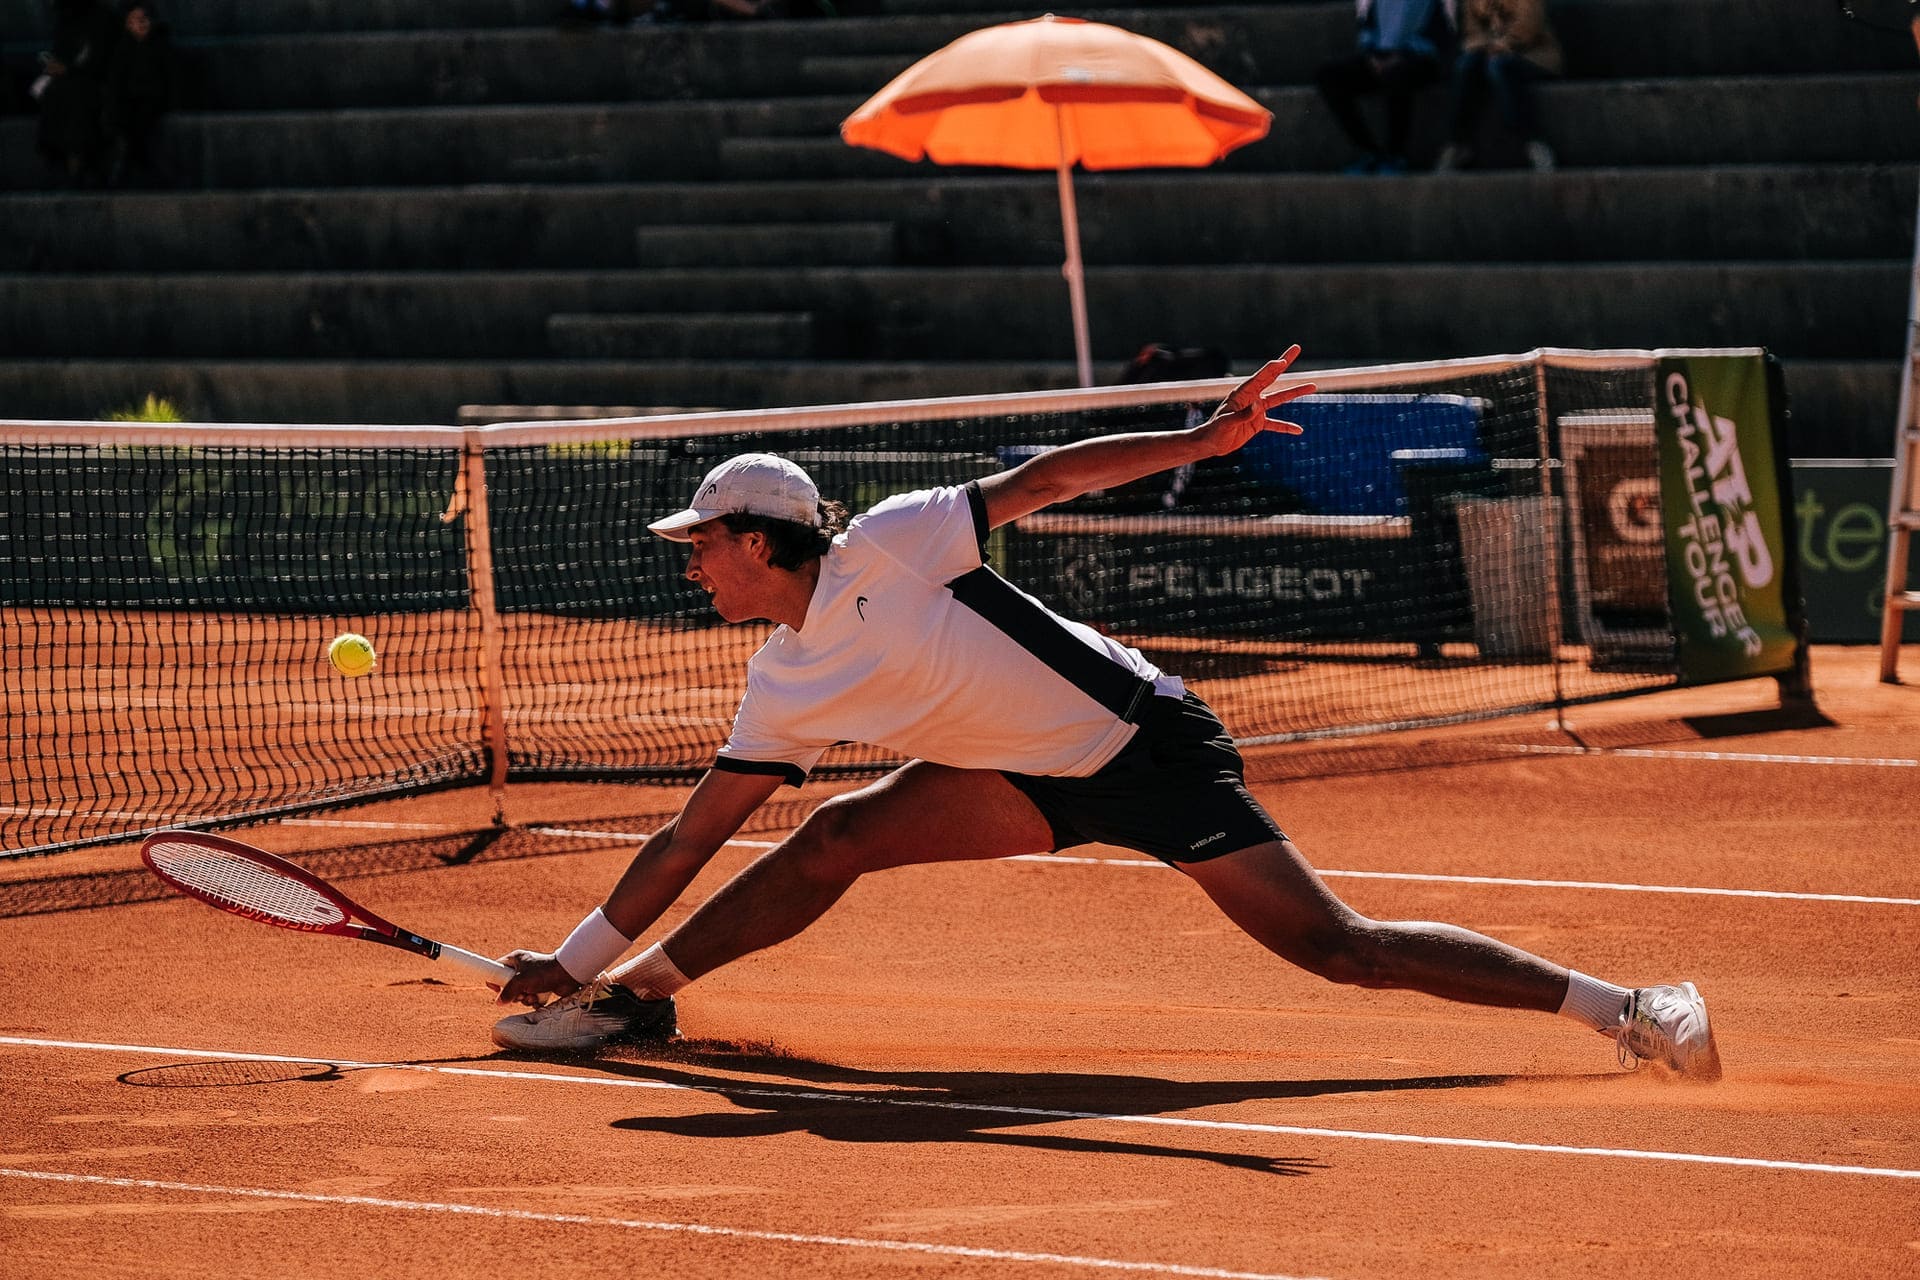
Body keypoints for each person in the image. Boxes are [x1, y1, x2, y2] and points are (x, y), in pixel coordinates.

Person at [491, 345, 1723, 1082]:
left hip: (1145, 745)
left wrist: (1201, 435)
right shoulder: (781, 684)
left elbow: (1054, 475)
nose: (691, 565)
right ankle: (630, 997)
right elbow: (692, 834)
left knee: (1341, 947)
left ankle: (1633, 1007)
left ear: (761, 539)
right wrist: (579, 958)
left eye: (702, 546)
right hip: (1020, 775)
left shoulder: (894, 544)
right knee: (837, 839)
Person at [1314, 0, 1451, 175]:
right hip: (1380, 57)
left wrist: (1402, 55)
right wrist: (1372, 56)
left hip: (1419, 59)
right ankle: (1370, 152)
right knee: (1328, 76)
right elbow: (1368, 26)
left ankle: (1396, 155)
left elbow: (1440, 34)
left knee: (1397, 75)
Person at [1433, 0, 1562, 173]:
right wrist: (1485, 46)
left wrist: (1502, 45)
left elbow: (1529, 26)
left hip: (1530, 53)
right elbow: (1471, 30)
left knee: (1499, 68)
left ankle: (1534, 143)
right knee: (1465, 66)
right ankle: (1457, 144)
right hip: (1487, 51)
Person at [103, 0, 174, 186]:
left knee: (140, 119)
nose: (141, 24)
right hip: (130, 99)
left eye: (144, 19)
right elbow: (116, 81)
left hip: (153, 98)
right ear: (127, 24)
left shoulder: (159, 45)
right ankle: (141, 163)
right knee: (124, 118)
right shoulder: (122, 48)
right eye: (135, 20)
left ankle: (130, 164)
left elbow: (168, 78)